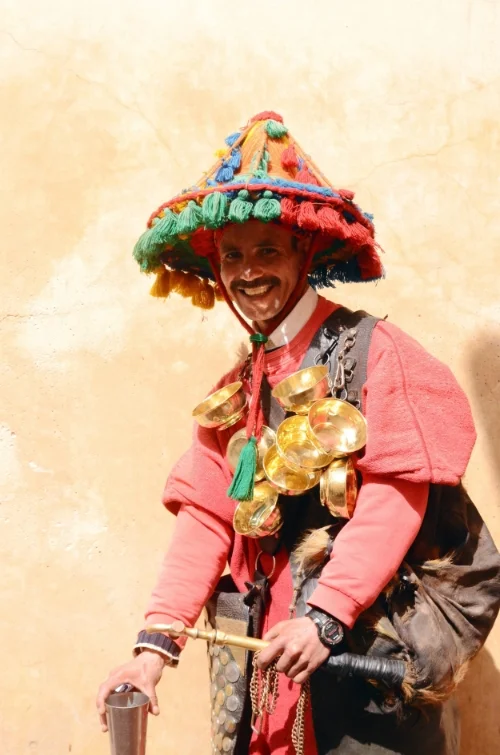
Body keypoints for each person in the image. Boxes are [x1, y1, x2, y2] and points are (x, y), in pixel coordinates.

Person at [96, 112, 494, 755]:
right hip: (267, 668)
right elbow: (206, 519)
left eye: (266, 251)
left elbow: (397, 497)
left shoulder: (379, 353)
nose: (247, 272)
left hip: (365, 666)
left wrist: (325, 616)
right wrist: (152, 649)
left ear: (306, 252)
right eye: (232, 256)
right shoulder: (239, 388)